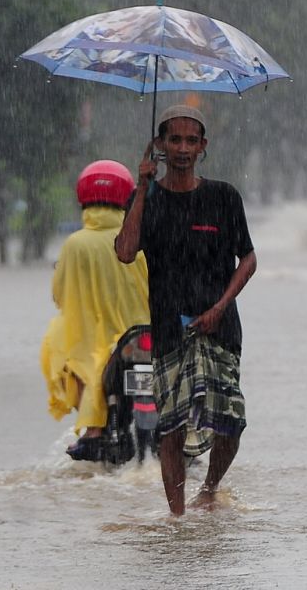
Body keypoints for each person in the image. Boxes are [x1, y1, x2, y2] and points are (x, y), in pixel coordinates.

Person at [115, 104, 257, 516]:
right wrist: (142, 186)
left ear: (203, 146)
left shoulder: (223, 197)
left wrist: (220, 305)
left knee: (231, 419)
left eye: (190, 140)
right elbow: (125, 252)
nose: (182, 148)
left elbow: (248, 259)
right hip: (168, 330)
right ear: (159, 145)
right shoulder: (148, 199)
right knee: (171, 425)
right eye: (173, 139)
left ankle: (209, 488)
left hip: (220, 328)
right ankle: (177, 517)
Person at [41, 160, 150, 461]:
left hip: (103, 344)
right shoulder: (141, 236)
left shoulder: (76, 244)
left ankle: (94, 430)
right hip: (147, 335)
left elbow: (59, 296)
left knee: (59, 347)